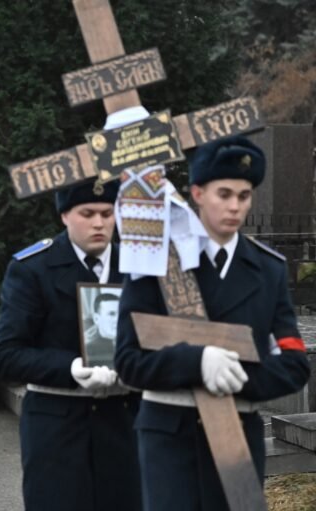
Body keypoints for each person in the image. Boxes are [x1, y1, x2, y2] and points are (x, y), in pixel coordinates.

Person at [115, 135, 311, 510]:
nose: (235, 206)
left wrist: (239, 377)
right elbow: (128, 360)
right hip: (170, 439)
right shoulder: (155, 262)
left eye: (244, 195)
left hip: (238, 436)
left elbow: (293, 361)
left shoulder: (268, 269)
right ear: (198, 193)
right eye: (224, 194)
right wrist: (196, 362)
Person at [0, 178, 140, 511]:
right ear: (64, 215)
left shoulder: (139, 267)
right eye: (87, 213)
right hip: (57, 428)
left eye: (107, 212)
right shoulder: (34, 269)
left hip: (124, 424)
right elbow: (6, 355)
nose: (99, 223)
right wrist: (71, 367)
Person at [84, 292, 119, 368]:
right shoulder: (88, 351)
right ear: (96, 319)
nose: (118, 319)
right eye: (112, 314)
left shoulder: (130, 346)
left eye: (120, 314)